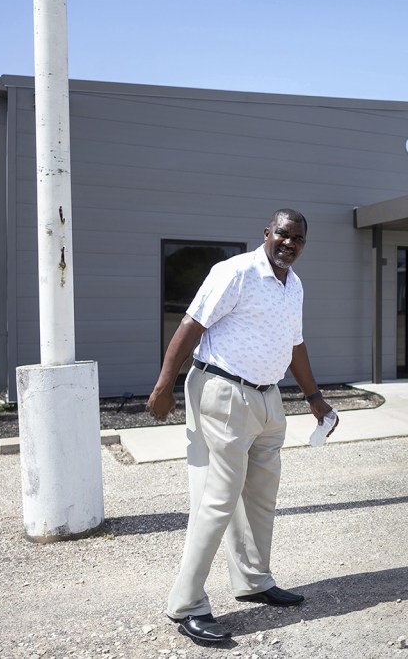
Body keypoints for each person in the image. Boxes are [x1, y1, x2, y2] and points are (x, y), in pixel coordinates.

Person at [146, 208, 335, 643]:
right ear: (267, 233)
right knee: (217, 500)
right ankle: (187, 603)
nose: (290, 244)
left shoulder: (295, 285)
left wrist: (315, 398)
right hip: (224, 391)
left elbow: (295, 344)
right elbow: (191, 325)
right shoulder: (235, 272)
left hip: (269, 398)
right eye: (284, 235)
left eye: (299, 240)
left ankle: (253, 580)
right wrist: (164, 384)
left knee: (261, 497)